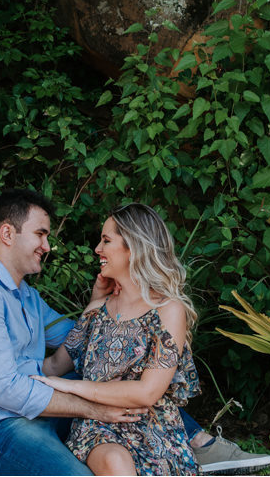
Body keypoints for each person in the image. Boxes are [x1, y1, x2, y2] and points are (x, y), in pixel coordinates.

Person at [0, 189, 270, 475]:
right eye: (41, 234)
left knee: (122, 370)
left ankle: (196, 441)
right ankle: (196, 442)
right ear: (8, 234)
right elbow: (6, 390)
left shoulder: (27, 297)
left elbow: (93, 344)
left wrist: (109, 307)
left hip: (37, 412)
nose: (48, 245)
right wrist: (91, 408)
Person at [31, 203, 199, 475]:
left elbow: (147, 393)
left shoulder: (168, 310)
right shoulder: (98, 309)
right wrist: (94, 303)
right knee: (115, 462)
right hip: (99, 429)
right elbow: (53, 367)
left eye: (106, 240)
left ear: (134, 248)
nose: (97, 249)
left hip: (156, 433)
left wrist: (73, 387)